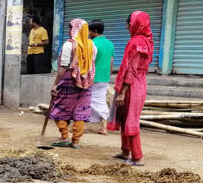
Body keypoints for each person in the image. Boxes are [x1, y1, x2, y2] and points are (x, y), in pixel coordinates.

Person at [108, 11, 154, 167]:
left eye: (128, 24)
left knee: (131, 120)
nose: (127, 27)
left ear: (134, 24)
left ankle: (138, 157)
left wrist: (122, 92)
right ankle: (125, 151)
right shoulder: (147, 41)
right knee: (124, 117)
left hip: (132, 86)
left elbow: (132, 69)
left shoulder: (136, 42)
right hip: (139, 84)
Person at [49, 19, 97, 149]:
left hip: (69, 80)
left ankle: (64, 136)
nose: (69, 31)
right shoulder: (92, 45)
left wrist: (55, 84)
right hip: (86, 81)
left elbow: (63, 66)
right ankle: (76, 141)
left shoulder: (69, 45)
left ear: (75, 30)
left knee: (60, 107)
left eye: (70, 28)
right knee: (80, 110)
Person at [88, 19, 114, 135]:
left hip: (93, 77)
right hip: (104, 77)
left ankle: (76, 126)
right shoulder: (110, 44)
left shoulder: (92, 44)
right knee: (100, 101)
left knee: (86, 100)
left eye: (89, 31)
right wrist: (109, 74)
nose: (88, 33)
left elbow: (88, 62)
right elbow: (111, 62)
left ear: (95, 31)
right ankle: (103, 126)